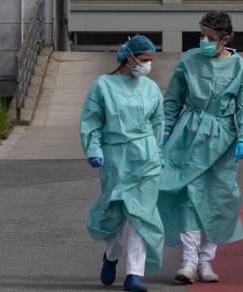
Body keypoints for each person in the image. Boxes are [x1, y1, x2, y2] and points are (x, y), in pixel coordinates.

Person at [158, 11, 243, 284]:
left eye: (210, 37)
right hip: (189, 135)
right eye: (201, 35)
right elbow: (173, 100)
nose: (203, 40)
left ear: (225, 39)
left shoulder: (240, 68)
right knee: (190, 196)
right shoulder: (189, 60)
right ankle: (189, 261)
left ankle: (206, 261)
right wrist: (165, 130)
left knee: (218, 199)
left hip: (222, 139)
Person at [79, 35, 165, 292]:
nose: (148, 65)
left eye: (151, 60)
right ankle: (111, 255)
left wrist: (158, 154)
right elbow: (92, 120)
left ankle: (134, 275)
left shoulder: (150, 88)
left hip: (146, 159)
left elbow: (158, 122)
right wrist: (94, 149)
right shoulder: (103, 86)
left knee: (141, 217)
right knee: (114, 215)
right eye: (145, 59)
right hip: (116, 158)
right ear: (130, 57)